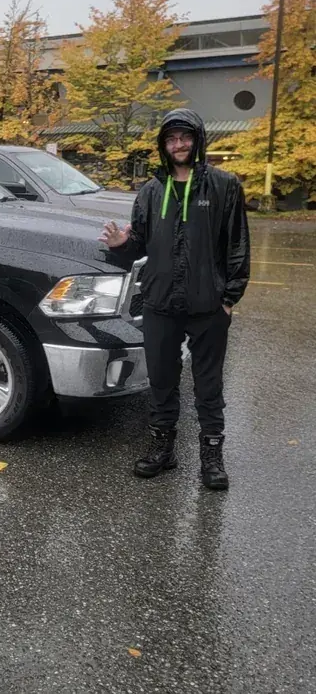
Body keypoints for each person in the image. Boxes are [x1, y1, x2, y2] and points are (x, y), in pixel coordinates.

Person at [100, 108, 250, 490]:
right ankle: (162, 450)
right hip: (160, 304)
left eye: (184, 137)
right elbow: (138, 247)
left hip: (208, 307)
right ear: (163, 146)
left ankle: (212, 458)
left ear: (197, 140)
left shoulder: (223, 186)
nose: (178, 144)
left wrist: (229, 298)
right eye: (171, 139)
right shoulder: (151, 192)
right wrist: (122, 246)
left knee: (208, 385)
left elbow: (237, 246)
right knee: (163, 381)